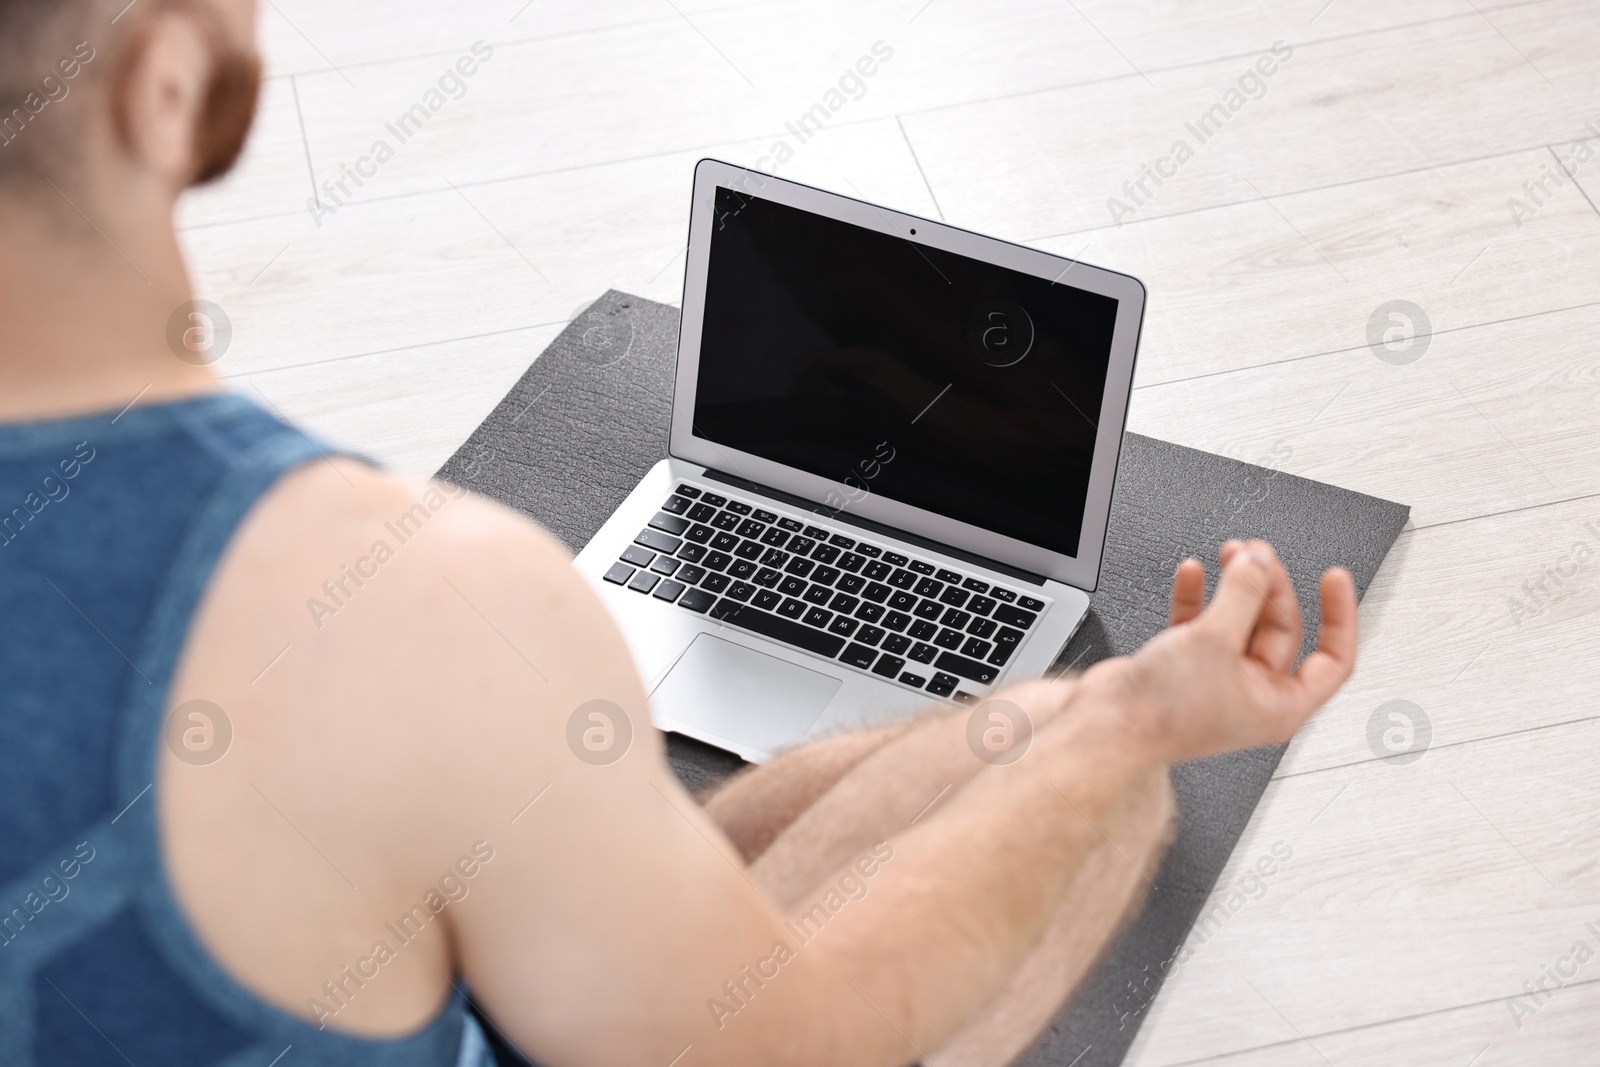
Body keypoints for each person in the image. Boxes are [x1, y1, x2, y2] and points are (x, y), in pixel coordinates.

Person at [0, 2, 1359, 1065]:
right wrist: (1135, 728)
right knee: (1108, 809)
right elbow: (790, 1045)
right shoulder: (398, 612)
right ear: (164, 82)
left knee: (674, 863)